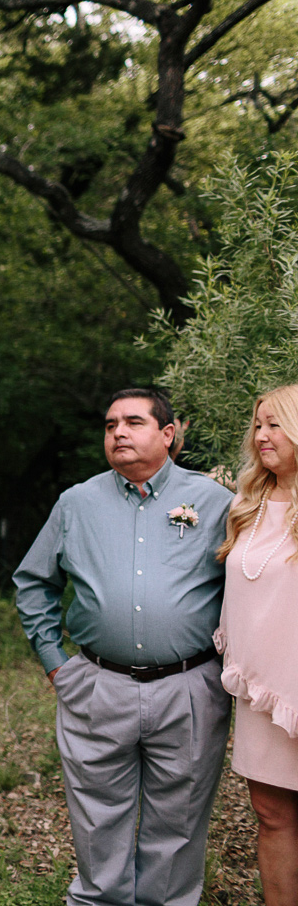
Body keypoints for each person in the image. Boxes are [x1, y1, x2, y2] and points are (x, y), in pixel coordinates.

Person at [14, 387, 234, 906]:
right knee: (96, 815)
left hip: (190, 686)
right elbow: (33, 582)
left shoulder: (215, 503)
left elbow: (246, 587)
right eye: (111, 424)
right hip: (96, 683)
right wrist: (56, 664)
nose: (118, 433)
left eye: (133, 422)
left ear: (168, 433)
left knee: (178, 819)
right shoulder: (77, 502)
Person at [214, 385, 298, 906]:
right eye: (258, 425)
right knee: (272, 816)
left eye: (275, 424)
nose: (262, 435)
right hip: (262, 692)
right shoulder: (246, 504)